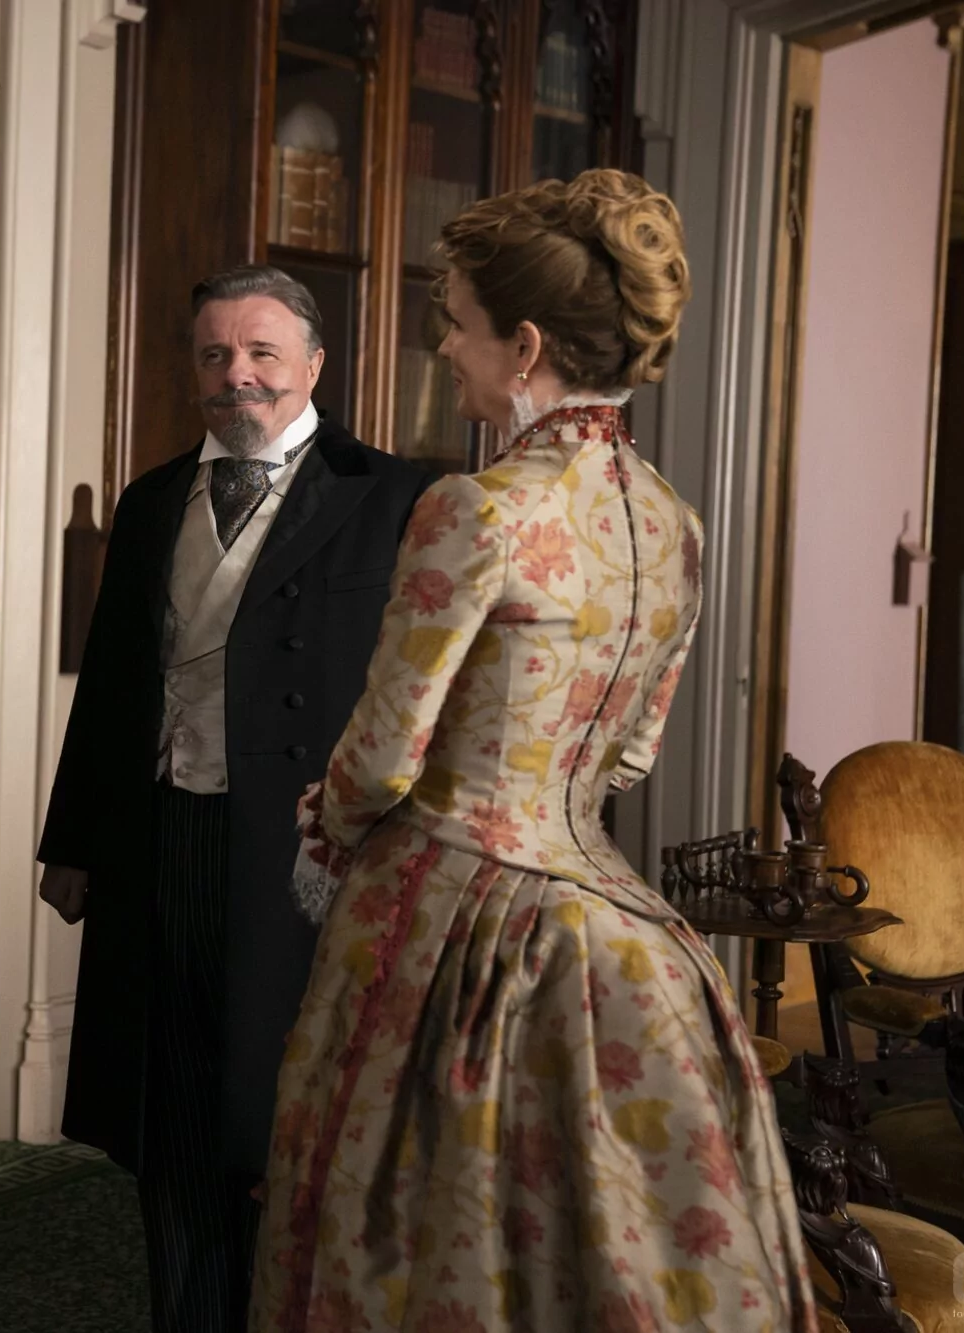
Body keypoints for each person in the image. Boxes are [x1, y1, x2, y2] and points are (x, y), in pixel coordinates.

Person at [251, 170, 817, 1331]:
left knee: (412, 1228)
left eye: (456, 324)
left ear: (522, 349)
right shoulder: (671, 523)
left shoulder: (477, 508)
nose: (443, 348)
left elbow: (383, 758)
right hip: (623, 928)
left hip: (452, 913)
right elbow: (630, 755)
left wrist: (327, 823)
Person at [38, 265, 432, 1332]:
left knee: (279, 1117)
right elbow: (110, 684)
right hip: (162, 829)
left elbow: (417, 696)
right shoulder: (148, 499)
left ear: (313, 363)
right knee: (167, 1109)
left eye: (261, 352)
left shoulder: (392, 497)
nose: (237, 375)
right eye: (214, 354)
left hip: (305, 853)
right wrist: (73, 840)